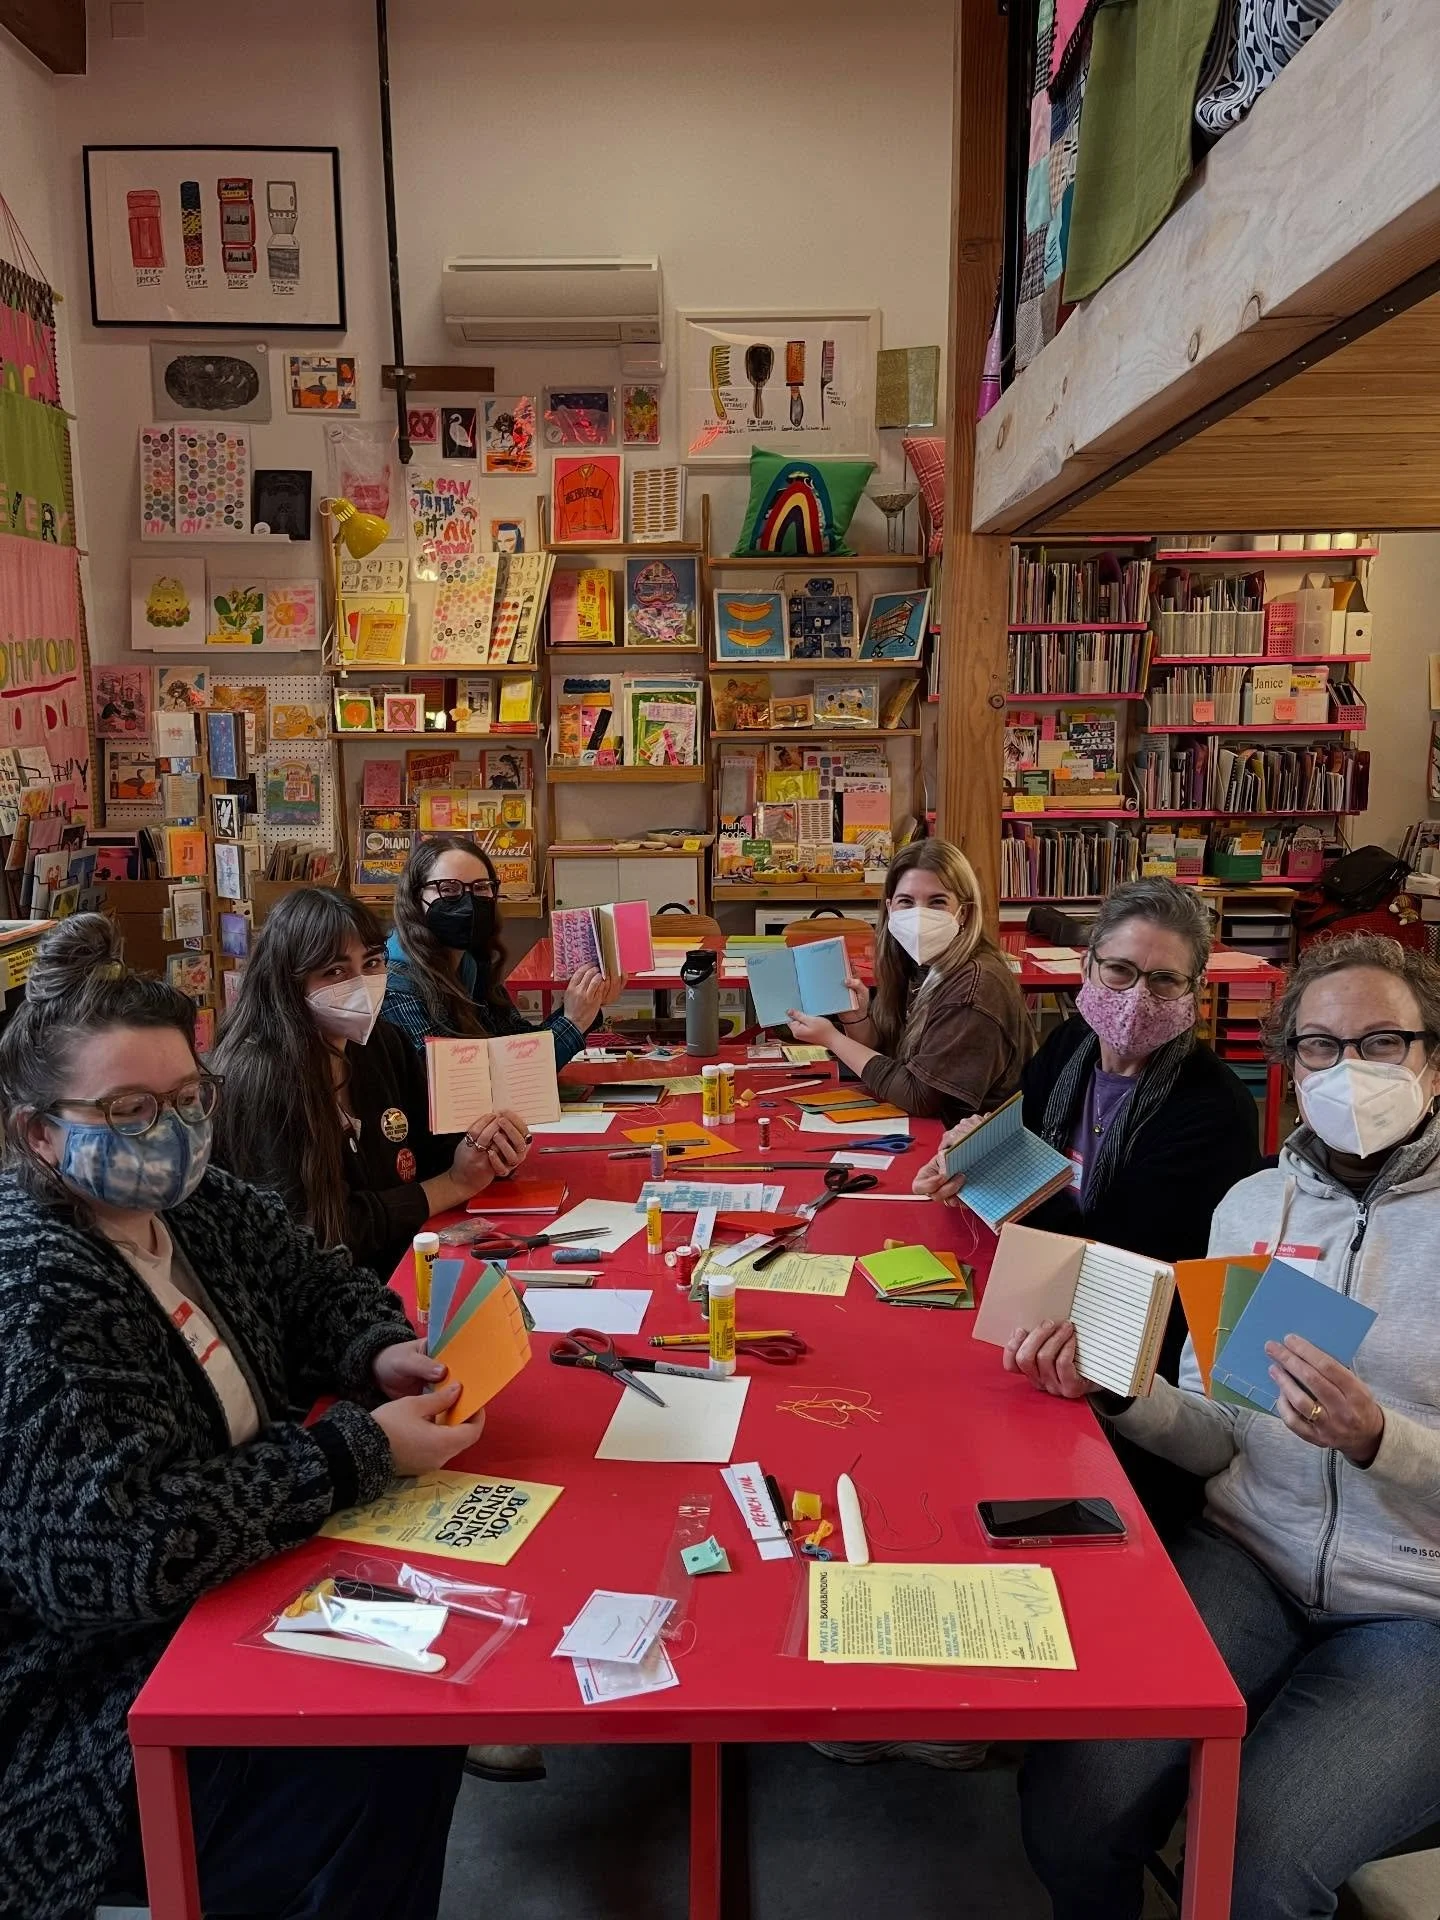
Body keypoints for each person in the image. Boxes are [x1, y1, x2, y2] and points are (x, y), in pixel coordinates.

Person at [0, 915, 479, 1920]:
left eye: (185, 1099)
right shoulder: (37, 1284)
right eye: (127, 1109)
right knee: (383, 1747)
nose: (167, 1132)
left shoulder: (191, 1202)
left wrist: (376, 1350)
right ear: (39, 1131)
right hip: (89, 1705)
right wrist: (353, 1451)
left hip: (233, 1596)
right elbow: (115, 1552)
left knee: (441, 1670)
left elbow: (319, 1282)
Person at [1013, 932, 1440, 1919]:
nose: (1350, 1070)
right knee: (1073, 1801)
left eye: (1383, 1042)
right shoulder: (1255, 1207)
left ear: (1430, 1058)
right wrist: (1121, 1390)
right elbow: (1223, 1434)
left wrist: (1383, 1439)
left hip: (1414, 1610)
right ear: (1290, 1065)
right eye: (1323, 1048)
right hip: (1249, 1557)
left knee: (1261, 1855)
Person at [915, 875, 1260, 1375]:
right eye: (1119, 970)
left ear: (1195, 991)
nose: (1138, 998)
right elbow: (1023, 1143)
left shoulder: (1216, 1109)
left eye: (1164, 980)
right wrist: (967, 1159)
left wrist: (996, 1175)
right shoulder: (1069, 1045)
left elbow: (1123, 1254)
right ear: (1086, 967)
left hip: (1123, 1341)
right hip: (1032, 1291)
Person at [213, 886, 529, 1279]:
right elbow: (319, 1234)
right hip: (325, 1300)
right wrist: (453, 1185)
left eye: (373, 963)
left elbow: (437, 1147)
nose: (362, 984)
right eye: (335, 971)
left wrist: (491, 1150)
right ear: (287, 981)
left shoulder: (382, 1042)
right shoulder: (261, 1078)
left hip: (407, 1267)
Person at [782, 839, 1033, 1124]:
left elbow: (918, 1095)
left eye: (937, 902)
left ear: (962, 912)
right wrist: (857, 1019)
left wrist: (832, 1038)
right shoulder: (918, 966)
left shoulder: (975, 985)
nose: (918, 915)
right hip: (927, 1129)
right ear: (890, 908)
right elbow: (886, 1058)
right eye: (906, 902)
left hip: (968, 1144)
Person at [383, 834, 622, 1067]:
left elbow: (518, 1044)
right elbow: (457, 1084)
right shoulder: (397, 986)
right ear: (415, 898)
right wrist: (573, 1021)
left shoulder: (473, 963)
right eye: (448, 889)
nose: (469, 902)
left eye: (481, 888)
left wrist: (586, 1006)